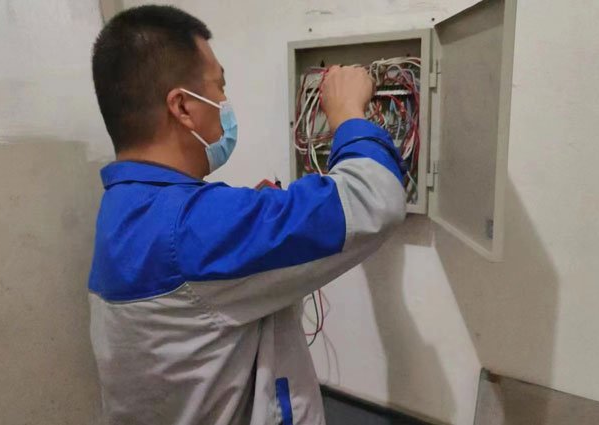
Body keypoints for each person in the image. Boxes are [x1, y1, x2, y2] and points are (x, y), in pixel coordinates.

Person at [88, 5, 406, 425]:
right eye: (219, 87)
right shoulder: (192, 228)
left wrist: (251, 221)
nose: (224, 103)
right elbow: (373, 196)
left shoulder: (126, 206)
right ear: (182, 107)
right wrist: (348, 113)